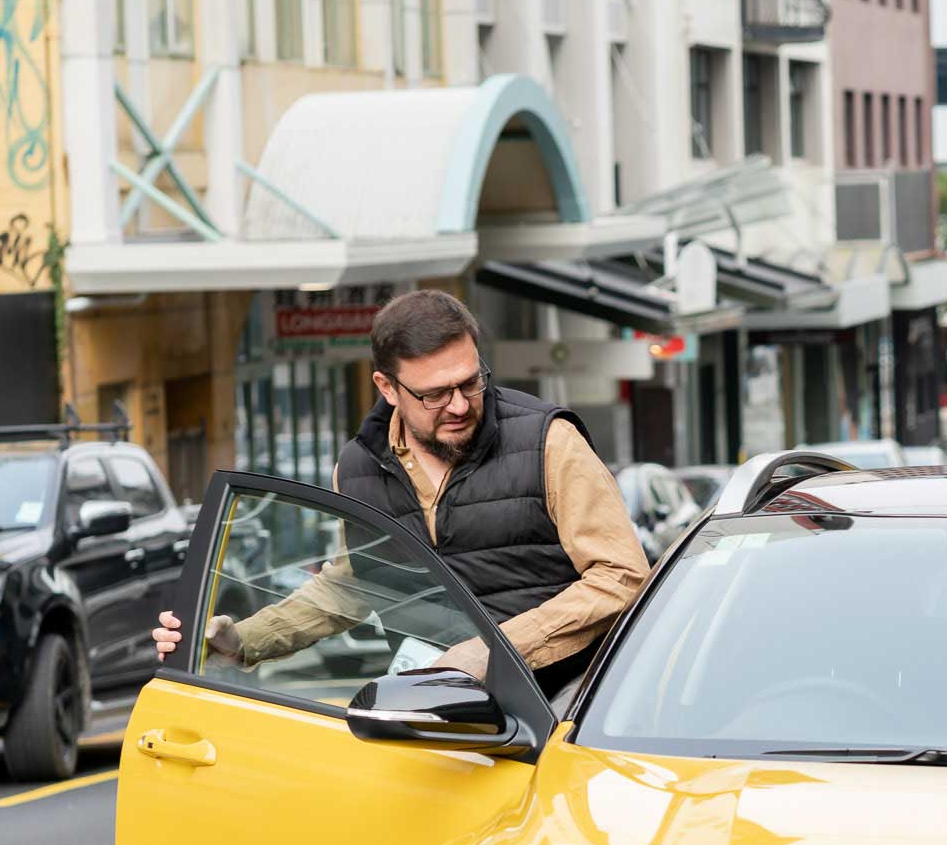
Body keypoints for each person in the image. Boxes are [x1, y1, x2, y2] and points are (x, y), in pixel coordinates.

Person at [153, 290, 649, 695]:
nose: (458, 405)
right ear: (387, 388)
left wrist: (496, 649)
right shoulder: (356, 469)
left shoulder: (549, 441)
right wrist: (242, 639)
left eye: (470, 382)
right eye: (434, 393)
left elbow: (621, 575)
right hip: (438, 716)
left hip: (569, 709)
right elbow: (354, 584)